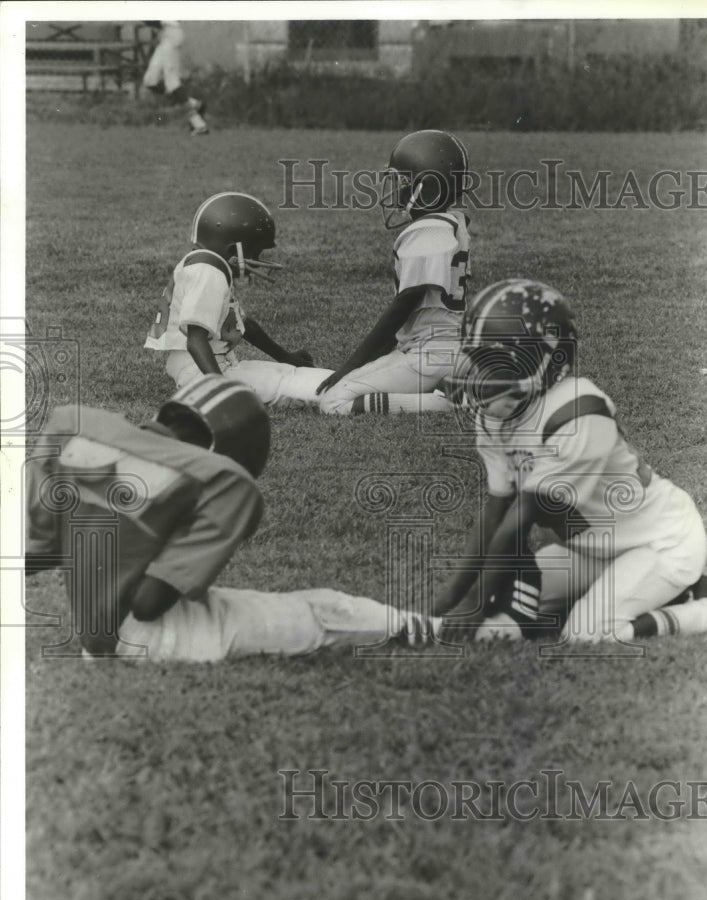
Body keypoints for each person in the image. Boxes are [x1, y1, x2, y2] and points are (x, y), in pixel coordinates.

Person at [25, 376, 414, 661]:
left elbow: (39, 552)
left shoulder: (72, 423)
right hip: (148, 637)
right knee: (320, 612)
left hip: (93, 636)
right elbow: (148, 603)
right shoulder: (225, 481)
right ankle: (430, 628)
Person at [429, 278, 707, 646]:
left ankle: (703, 605)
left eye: (498, 360)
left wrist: (473, 602)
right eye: (478, 357)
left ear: (549, 361)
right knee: (510, 600)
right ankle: (633, 591)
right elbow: (494, 514)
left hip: (659, 542)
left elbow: (521, 518)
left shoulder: (578, 411)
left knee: (585, 632)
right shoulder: (497, 414)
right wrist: (451, 597)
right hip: (590, 549)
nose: (481, 373)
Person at [316, 129, 471, 416]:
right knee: (364, 377)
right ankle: (448, 387)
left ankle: (444, 403)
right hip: (445, 350)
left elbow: (403, 305)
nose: (395, 188)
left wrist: (349, 366)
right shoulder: (453, 223)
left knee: (333, 401)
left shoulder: (427, 232)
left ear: (425, 187)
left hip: (431, 355)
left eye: (401, 181)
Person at [144, 191, 333, 409]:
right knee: (305, 386)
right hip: (202, 370)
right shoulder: (209, 275)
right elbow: (196, 340)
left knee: (289, 373)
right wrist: (222, 393)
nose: (259, 260)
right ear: (234, 250)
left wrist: (285, 357)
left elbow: (244, 325)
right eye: (256, 253)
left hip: (205, 365)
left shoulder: (204, 265)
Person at [142, 20, 209, 135]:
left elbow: (155, 21)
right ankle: (195, 104)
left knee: (172, 83)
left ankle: (199, 125)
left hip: (171, 34)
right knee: (150, 81)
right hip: (165, 36)